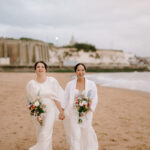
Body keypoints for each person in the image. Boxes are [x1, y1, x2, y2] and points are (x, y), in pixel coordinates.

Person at [26, 61, 65, 150]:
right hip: (38, 111)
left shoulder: (52, 81)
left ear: (46, 69)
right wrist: (37, 114)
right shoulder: (32, 84)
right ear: (35, 70)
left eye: (42, 67)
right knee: (40, 133)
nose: (40, 68)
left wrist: (61, 111)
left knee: (46, 133)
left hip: (50, 110)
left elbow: (56, 97)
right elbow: (32, 100)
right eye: (38, 67)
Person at [62, 63, 98, 150]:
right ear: (75, 72)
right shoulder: (70, 84)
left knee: (86, 132)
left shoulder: (91, 84)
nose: (80, 72)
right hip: (73, 112)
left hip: (87, 112)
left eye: (82, 70)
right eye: (78, 70)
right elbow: (65, 98)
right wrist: (62, 110)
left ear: (85, 71)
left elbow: (94, 98)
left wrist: (89, 109)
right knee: (75, 134)